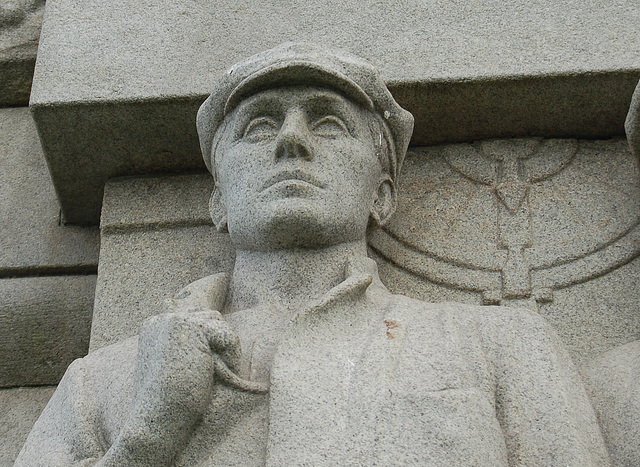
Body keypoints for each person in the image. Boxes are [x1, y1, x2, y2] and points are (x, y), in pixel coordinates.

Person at [16, 42, 609, 466]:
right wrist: (148, 439)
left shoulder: (500, 344)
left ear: (383, 193)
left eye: (327, 124)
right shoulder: (103, 383)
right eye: (257, 127)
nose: (290, 141)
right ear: (218, 201)